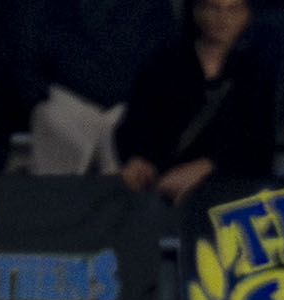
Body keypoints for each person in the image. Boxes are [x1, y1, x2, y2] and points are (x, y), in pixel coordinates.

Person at [119, 0, 279, 204]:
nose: (222, 18)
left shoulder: (256, 72)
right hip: (159, 190)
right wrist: (138, 159)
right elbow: (134, 126)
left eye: (233, 9)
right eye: (213, 8)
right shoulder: (164, 64)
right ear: (196, 11)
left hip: (226, 194)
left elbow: (260, 148)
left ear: (247, 15)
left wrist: (208, 165)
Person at [13, 0, 181, 174]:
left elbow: (165, 45)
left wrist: (147, 108)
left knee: (125, 188)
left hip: (129, 112)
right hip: (64, 105)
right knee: (54, 187)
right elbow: (26, 37)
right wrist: (38, 97)